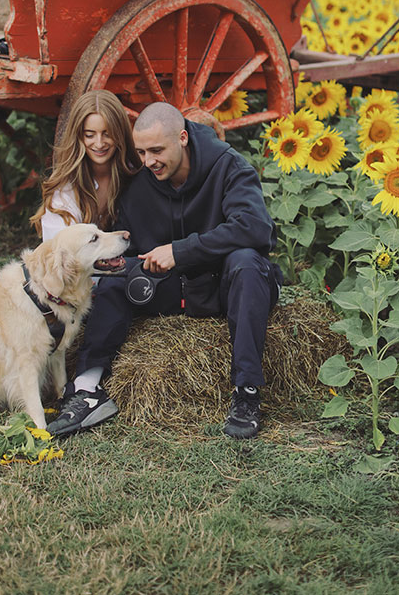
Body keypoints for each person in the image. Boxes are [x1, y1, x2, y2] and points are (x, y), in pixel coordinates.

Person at [47, 101, 282, 440]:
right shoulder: (141, 182)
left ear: (183, 137)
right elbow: (128, 250)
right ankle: (87, 389)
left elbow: (257, 228)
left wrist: (180, 250)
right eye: (141, 152)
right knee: (116, 279)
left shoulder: (229, 166)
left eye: (157, 150)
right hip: (177, 290)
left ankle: (246, 393)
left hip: (229, 286)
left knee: (245, 261)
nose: (148, 161)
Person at [31, 89, 141, 241]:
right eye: (89, 135)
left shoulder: (134, 174)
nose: (99, 143)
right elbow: (61, 248)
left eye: (107, 134)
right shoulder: (66, 188)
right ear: (78, 136)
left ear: (120, 133)